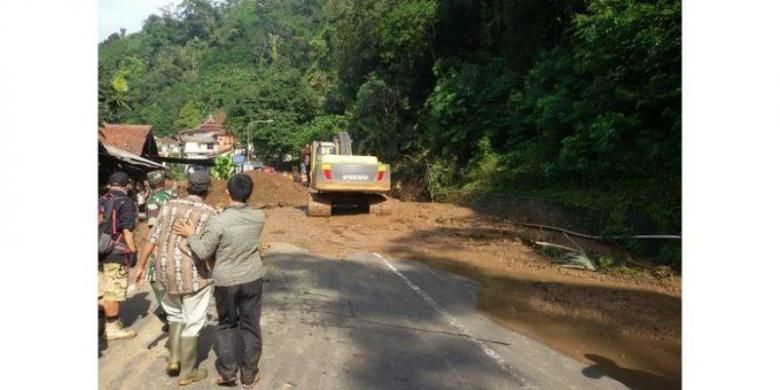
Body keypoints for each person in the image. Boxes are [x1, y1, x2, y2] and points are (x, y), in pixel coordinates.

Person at [174, 173, 266, 389]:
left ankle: (228, 374)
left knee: (227, 325)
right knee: (251, 325)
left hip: (226, 281)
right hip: (253, 277)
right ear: (250, 193)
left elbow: (204, 250)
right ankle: (249, 376)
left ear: (227, 192)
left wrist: (191, 234)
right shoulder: (259, 216)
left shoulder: (218, 221)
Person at [135, 170, 217, 386]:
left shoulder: (169, 206)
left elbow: (152, 238)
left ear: (186, 186)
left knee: (174, 315)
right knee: (195, 320)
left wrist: (141, 266)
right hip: (194, 275)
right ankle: (188, 371)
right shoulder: (211, 213)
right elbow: (210, 250)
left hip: (165, 271)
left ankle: (174, 359)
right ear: (208, 189)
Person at [98, 171, 139, 341]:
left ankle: (100, 325)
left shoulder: (101, 199)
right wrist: (133, 251)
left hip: (97, 250)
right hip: (116, 252)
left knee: (100, 289)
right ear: (126, 185)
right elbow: (127, 231)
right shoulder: (126, 202)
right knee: (113, 291)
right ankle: (112, 327)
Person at [145, 169, 178, 332]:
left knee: (155, 280)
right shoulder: (174, 197)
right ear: (163, 181)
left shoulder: (153, 200)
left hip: (162, 244)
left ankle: (169, 314)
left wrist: (154, 253)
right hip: (177, 243)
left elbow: (153, 228)